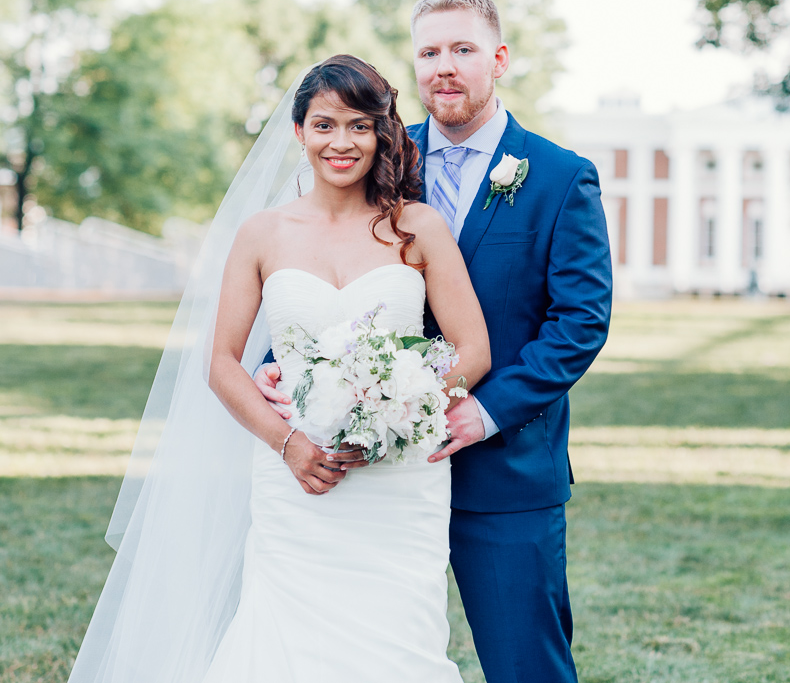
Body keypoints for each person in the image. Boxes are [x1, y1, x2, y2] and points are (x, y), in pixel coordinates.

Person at [67, 55, 489, 683]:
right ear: (299, 132)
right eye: (324, 125)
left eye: (358, 126)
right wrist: (287, 444)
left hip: (400, 481)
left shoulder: (417, 227)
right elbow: (221, 363)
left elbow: (473, 350)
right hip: (296, 476)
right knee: (286, 636)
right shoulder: (262, 233)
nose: (341, 143)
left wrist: (398, 413)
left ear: (381, 134)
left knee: (401, 637)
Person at [257, 0, 613, 683]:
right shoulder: (374, 156)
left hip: (503, 468)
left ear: (499, 59)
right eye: (428, 52)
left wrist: (484, 412)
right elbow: (318, 267)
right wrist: (283, 364)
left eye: (462, 50)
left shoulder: (560, 178)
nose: (443, 67)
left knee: (525, 667)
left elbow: (579, 323)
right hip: (372, 476)